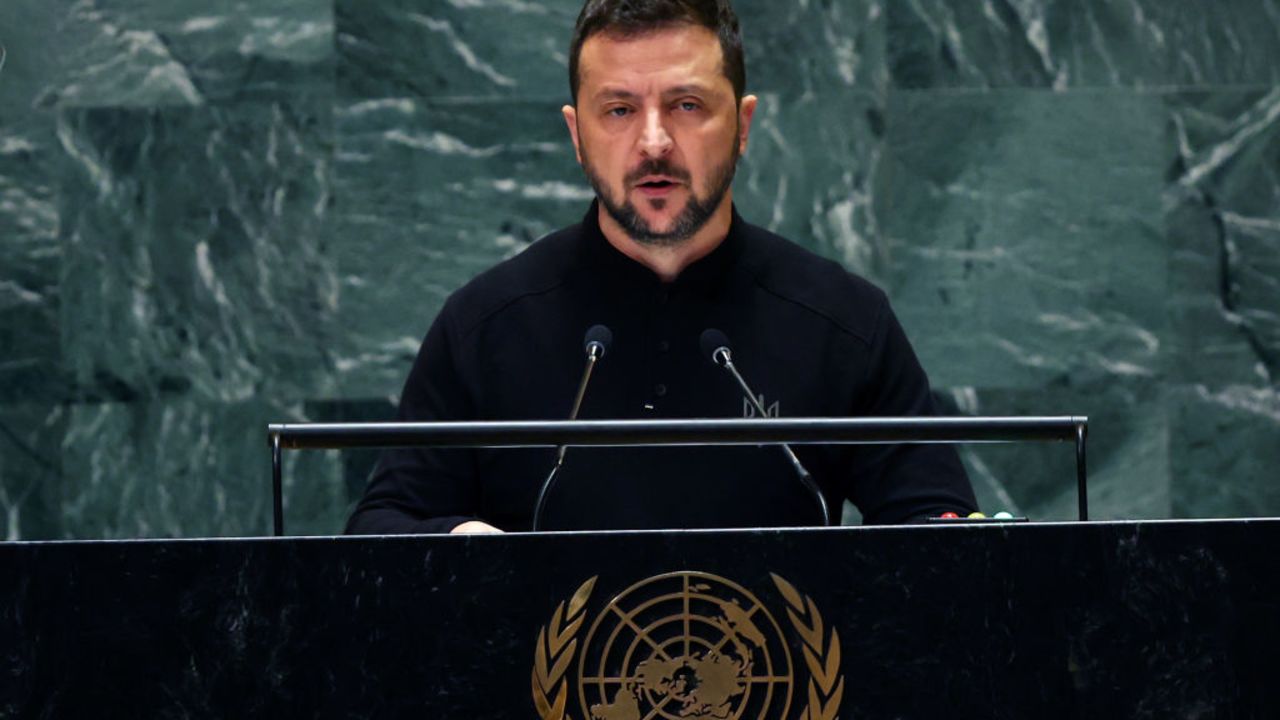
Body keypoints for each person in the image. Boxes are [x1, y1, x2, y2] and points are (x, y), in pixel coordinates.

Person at [345, 0, 977, 535]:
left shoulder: (844, 320)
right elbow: (381, 533)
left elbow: (937, 527)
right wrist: (450, 546)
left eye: (686, 106)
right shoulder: (484, 326)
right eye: (619, 109)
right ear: (576, 134)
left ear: (744, 124)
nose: (653, 142)